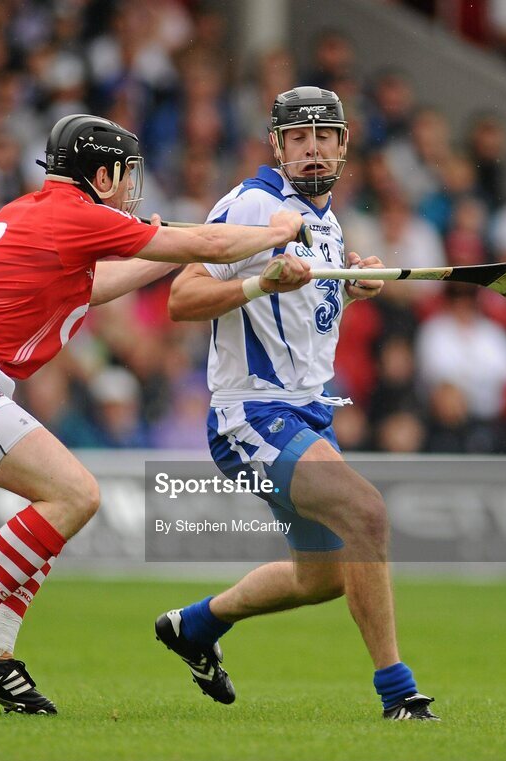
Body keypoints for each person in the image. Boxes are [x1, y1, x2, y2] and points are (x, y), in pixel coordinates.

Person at [0, 113, 305, 717]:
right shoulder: (75, 213)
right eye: (125, 174)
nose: (131, 187)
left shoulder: (40, 212)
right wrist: (281, 229)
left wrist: (209, 254)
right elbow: (207, 245)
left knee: (59, 502)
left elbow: (104, 284)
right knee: (75, 495)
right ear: (98, 173)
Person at [159, 87, 438, 721]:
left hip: (306, 415)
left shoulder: (331, 224)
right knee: (367, 514)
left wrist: (353, 287)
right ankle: (399, 694)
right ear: (277, 146)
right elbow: (182, 296)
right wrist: (261, 277)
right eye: (298, 137)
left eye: (324, 137)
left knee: (323, 577)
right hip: (249, 417)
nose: (312, 149)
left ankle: (196, 627)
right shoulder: (254, 204)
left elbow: (298, 310)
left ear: (344, 145)